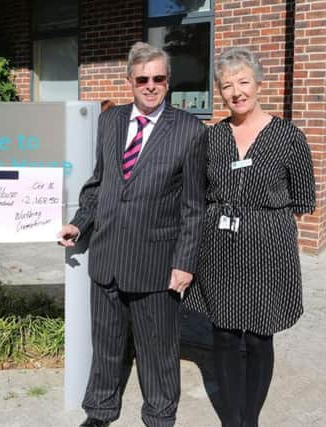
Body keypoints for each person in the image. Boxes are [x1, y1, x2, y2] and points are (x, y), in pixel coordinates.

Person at [58, 42, 207, 427]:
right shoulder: (109, 122)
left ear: (168, 81)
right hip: (106, 256)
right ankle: (101, 410)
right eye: (143, 79)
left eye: (159, 78)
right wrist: (79, 222)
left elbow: (194, 206)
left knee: (157, 348)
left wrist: (185, 263)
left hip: (155, 262)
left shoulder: (190, 131)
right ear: (130, 81)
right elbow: (98, 185)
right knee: (106, 344)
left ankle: (159, 415)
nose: (151, 85)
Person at [184, 47, 315, 427]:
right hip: (219, 248)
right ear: (220, 92)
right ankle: (231, 418)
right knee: (224, 333)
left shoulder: (288, 136)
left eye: (243, 81)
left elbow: (303, 197)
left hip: (269, 248)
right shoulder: (213, 137)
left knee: (259, 335)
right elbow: (199, 191)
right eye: (227, 85)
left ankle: (249, 418)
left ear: (259, 83)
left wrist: (261, 221)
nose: (236, 91)